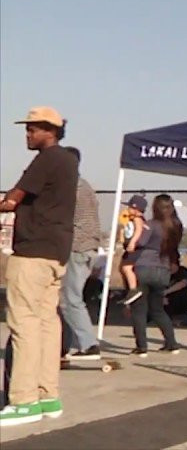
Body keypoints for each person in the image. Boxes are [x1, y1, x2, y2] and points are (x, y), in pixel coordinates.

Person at [0, 107, 78, 427]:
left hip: (32, 251)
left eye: (33, 128)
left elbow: (12, 199)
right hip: (56, 252)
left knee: (24, 324)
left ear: (51, 130)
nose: (28, 134)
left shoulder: (46, 159)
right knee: (47, 324)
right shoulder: (70, 162)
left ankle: (24, 399)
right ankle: (48, 395)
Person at [59, 147, 103, 361]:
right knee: (70, 298)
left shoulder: (69, 187)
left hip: (77, 247)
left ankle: (89, 345)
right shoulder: (85, 186)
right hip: (89, 246)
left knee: (70, 299)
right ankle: (64, 345)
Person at [127, 194, 184, 356]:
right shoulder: (175, 227)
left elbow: (142, 242)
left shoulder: (150, 225)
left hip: (145, 267)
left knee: (139, 308)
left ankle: (141, 346)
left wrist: (131, 242)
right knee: (157, 309)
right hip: (163, 270)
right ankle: (171, 343)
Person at [118, 194, 146, 305]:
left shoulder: (138, 219)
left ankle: (133, 290)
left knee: (127, 267)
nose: (127, 210)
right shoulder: (129, 219)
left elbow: (138, 231)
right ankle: (128, 290)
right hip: (128, 247)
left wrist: (133, 242)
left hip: (135, 248)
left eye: (130, 207)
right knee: (122, 267)